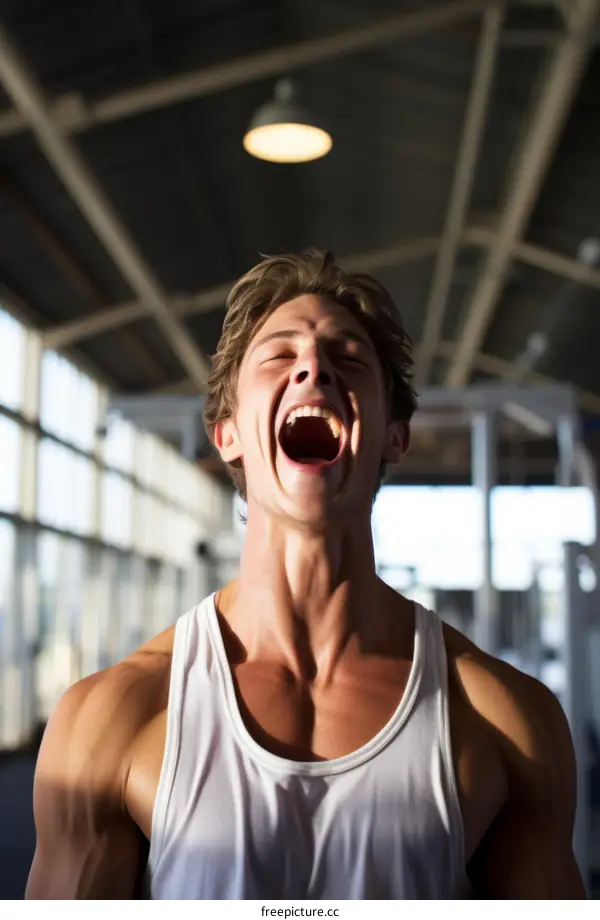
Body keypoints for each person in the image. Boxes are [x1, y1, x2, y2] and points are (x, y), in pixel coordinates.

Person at [26, 251, 585, 899]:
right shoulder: (110, 719)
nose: (313, 366)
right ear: (228, 433)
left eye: (347, 357)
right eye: (277, 356)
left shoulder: (505, 721)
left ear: (394, 438)